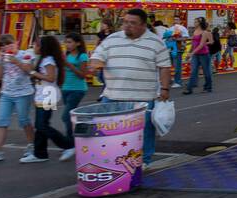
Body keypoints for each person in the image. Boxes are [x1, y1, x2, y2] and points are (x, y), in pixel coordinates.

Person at [89, 8, 173, 164]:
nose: (127, 26)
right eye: (125, 22)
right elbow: (97, 56)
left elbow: (164, 67)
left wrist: (165, 89)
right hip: (113, 96)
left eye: (132, 23)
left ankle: (145, 161)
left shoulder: (155, 42)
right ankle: (114, 161)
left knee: (145, 131)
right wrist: (95, 65)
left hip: (143, 98)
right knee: (111, 132)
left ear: (143, 25)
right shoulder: (112, 39)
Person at [0, 34, 37, 164]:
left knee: (24, 120)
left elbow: (29, 71)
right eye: (2, 45)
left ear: (16, 43)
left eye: (9, 43)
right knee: (1, 121)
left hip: (23, 93)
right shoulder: (1, 58)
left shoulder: (25, 54)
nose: (6, 47)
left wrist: (16, 61)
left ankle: (32, 145)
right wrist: (2, 61)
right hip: (7, 93)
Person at [27, 35, 74, 162]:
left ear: (43, 47)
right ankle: (40, 153)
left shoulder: (48, 60)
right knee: (41, 125)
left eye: (36, 45)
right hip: (43, 93)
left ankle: (68, 145)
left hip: (48, 93)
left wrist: (32, 72)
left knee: (42, 125)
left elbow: (51, 77)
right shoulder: (43, 59)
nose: (34, 47)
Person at [59, 32, 91, 160]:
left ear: (78, 43)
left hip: (77, 89)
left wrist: (68, 65)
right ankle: (82, 134)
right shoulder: (66, 55)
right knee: (71, 117)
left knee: (66, 116)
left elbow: (83, 75)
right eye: (66, 42)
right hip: (65, 88)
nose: (67, 44)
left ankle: (70, 145)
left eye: (70, 42)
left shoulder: (82, 56)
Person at [184, 17, 214, 94]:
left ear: (200, 23)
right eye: (194, 22)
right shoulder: (195, 31)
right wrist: (189, 53)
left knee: (206, 71)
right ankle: (189, 88)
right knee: (193, 71)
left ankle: (208, 87)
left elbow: (201, 45)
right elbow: (193, 44)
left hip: (204, 54)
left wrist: (192, 53)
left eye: (196, 22)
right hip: (196, 54)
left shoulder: (205, 32)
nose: (194, 23)